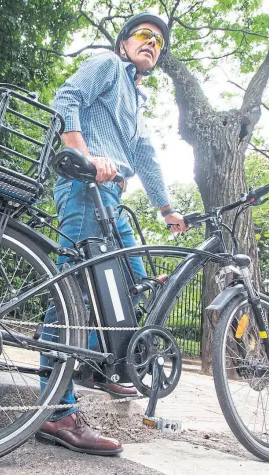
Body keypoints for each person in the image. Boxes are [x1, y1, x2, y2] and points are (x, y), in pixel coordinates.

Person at [34, 13, 187, 456]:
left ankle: (99, 365)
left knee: (135, 282)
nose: (152, 44)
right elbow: (67, 98)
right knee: (72, 294)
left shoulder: (135, 98)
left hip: (114, 199)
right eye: (144, 36)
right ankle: (57, 410)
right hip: (84, 188)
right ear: (124, 44)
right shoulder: (105, 63)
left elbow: (143, 152)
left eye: (159, 42)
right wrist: (84, 156)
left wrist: (165, 208)